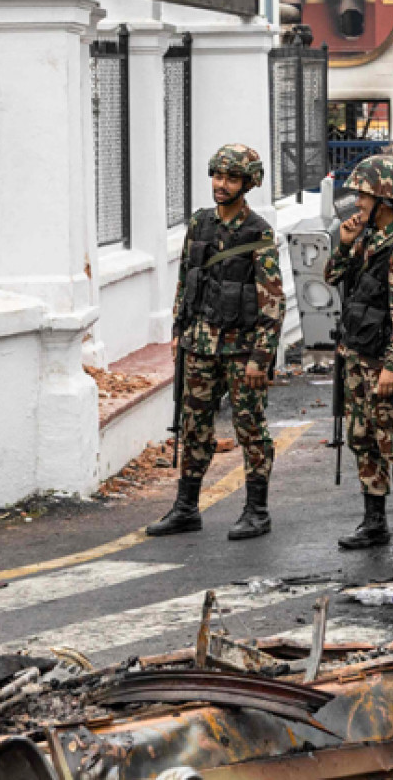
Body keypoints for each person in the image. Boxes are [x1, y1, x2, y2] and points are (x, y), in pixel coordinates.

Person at [147, 144, 285, 541]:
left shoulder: (258, 231)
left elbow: (272, 299)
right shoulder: (199, 225)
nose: (221, 184)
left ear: (248, 183)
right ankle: (186, 507)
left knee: (250, 429)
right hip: (200, 345)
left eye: (231, 178)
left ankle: (256, 511)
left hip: (242, 350)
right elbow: (187, 279)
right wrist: (178, 330)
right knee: (193, 428)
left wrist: (262, 355)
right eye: (218, 176)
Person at [327, 154, 393, 553]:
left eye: (364, 197)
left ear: (385, 201)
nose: (358, 204)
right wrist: (344, 244)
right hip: (356, 356)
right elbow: (333, 276)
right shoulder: (369, 240)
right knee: (361, 436)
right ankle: (374, 522)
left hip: (381, 362)